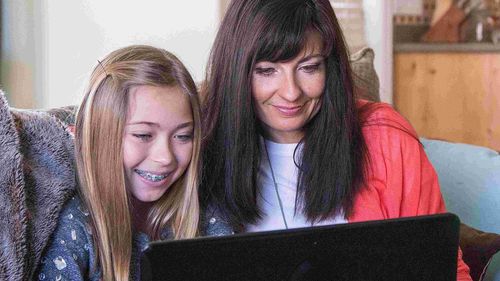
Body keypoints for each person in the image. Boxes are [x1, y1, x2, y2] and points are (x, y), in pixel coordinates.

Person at [200, 0, 471, 280]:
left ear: (329, 67)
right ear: (236, 73)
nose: (291, 92)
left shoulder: (386, 139)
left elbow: (446, 270)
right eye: (267, 71)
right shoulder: (199, 150)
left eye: (309, 67)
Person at [37, 45, 201, 280]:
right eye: (143, 135)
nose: (165, 157)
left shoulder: (205, 218)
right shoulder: (71, 229)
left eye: (183, 136)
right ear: (99, 136)